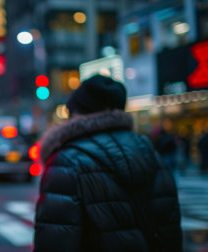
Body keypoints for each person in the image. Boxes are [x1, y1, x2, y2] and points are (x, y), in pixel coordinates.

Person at [34, 75, 182, 251]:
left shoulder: (67, 161)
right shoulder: (150, 152)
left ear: (76, 113)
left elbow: (55, 240)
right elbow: (170, 226)